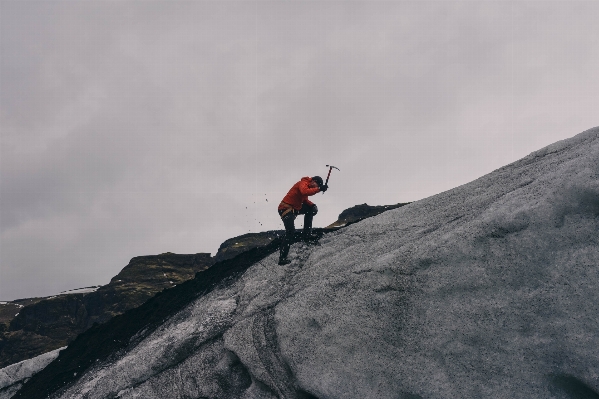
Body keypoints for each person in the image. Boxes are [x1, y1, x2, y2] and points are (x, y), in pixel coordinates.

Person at [277, 176, 328, 265]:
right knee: (290, 231)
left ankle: (307, 235)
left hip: (294, 209)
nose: (315, 187)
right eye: (316, 185)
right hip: (285, 208)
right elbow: (304, 192)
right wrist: (319, 189)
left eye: (317, 187)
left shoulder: (307, 186)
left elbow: (305, 199)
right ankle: (282, 258)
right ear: (313, 181)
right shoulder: (302, 183)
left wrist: (313, 205)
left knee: (311, 210)